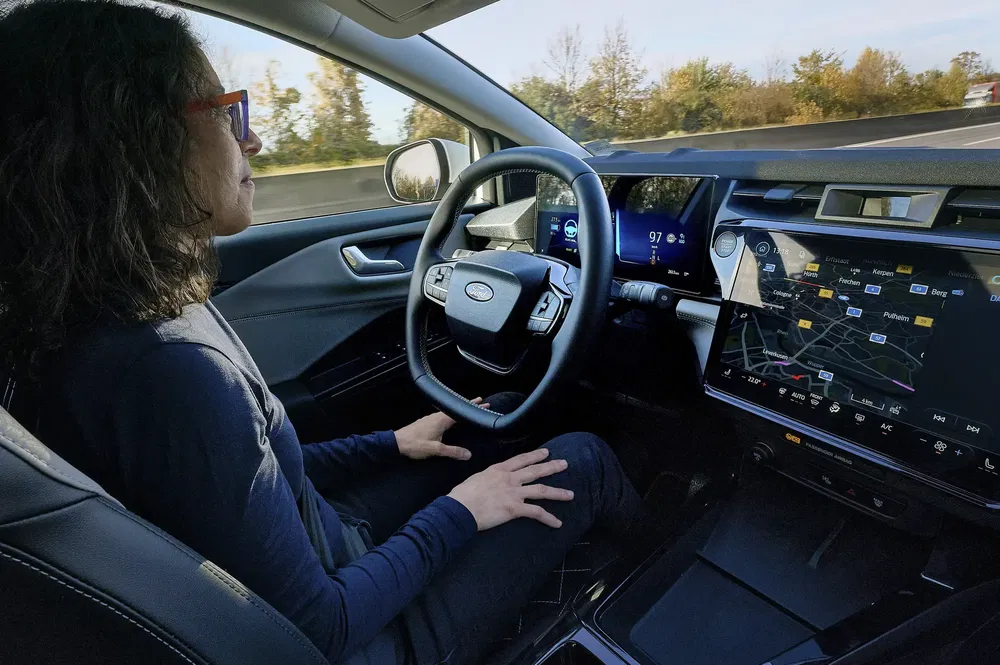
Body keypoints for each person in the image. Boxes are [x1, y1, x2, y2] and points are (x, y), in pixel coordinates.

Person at [0, 2, 647, 664]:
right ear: (139, 141)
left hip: (321, 549)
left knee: (498, 419)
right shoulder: (166, 368)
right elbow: (324, 626)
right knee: (586, 460)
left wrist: (393, 441)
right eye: (227, 115)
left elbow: (251, 472)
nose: (249, 141)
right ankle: (664, 558)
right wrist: (463, 509)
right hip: (359, 635)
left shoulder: (115, 311)